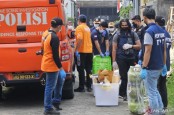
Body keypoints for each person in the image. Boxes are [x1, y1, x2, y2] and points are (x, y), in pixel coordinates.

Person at [140, 8, 167, 114]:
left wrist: (144, 67)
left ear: (145, 18)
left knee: (151, 92)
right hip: (159, 65)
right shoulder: (161, 30)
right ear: (154, 17)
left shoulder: (149, 32)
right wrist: (164, 64)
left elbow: (147, 51)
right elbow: (164, 49)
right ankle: (160, 111)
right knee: (154, 90)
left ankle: (155, 113)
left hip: (151, 67)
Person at [41, 17, 66, 115]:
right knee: (50, 87)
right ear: (59, 26)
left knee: (57, 82)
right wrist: (61, 68)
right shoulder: (54, 37)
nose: (61, 29)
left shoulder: (46, 33)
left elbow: (42, 47)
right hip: (52, 65)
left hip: (48, 63)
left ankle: (55, 102)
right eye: (61, 27)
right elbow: (55, 56)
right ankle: (48, 109)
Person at [112, 19, 141, 101]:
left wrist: (131, 46)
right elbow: (114, 49)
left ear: (128, 25)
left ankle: (131, 93)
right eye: (123, 25)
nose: (124, 26)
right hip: (121, 58)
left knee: (132, 76)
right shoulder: (117, 35)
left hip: (132, 58)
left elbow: (139, 46)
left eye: (126, 25)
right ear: (120, 26)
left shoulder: (133, 34)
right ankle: (122, 93)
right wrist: (114, 61)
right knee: (124, 76)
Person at [155, 16, 171, 109]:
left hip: (159, 63)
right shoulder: (167, 34)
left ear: (156, 23)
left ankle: (158, 106)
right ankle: (164, 105)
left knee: (156, 86)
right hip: (166, 63)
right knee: (162, 85)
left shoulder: (158, 34)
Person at [74, 14, 93, 92]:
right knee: (89, 69)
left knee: (80, 69)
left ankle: (81, 87)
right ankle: (89, 86)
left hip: (81, 52)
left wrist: (76, 50)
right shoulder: (87, 28)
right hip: (89, 51)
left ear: (79, 20)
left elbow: (80, 39)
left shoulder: (79, 27)